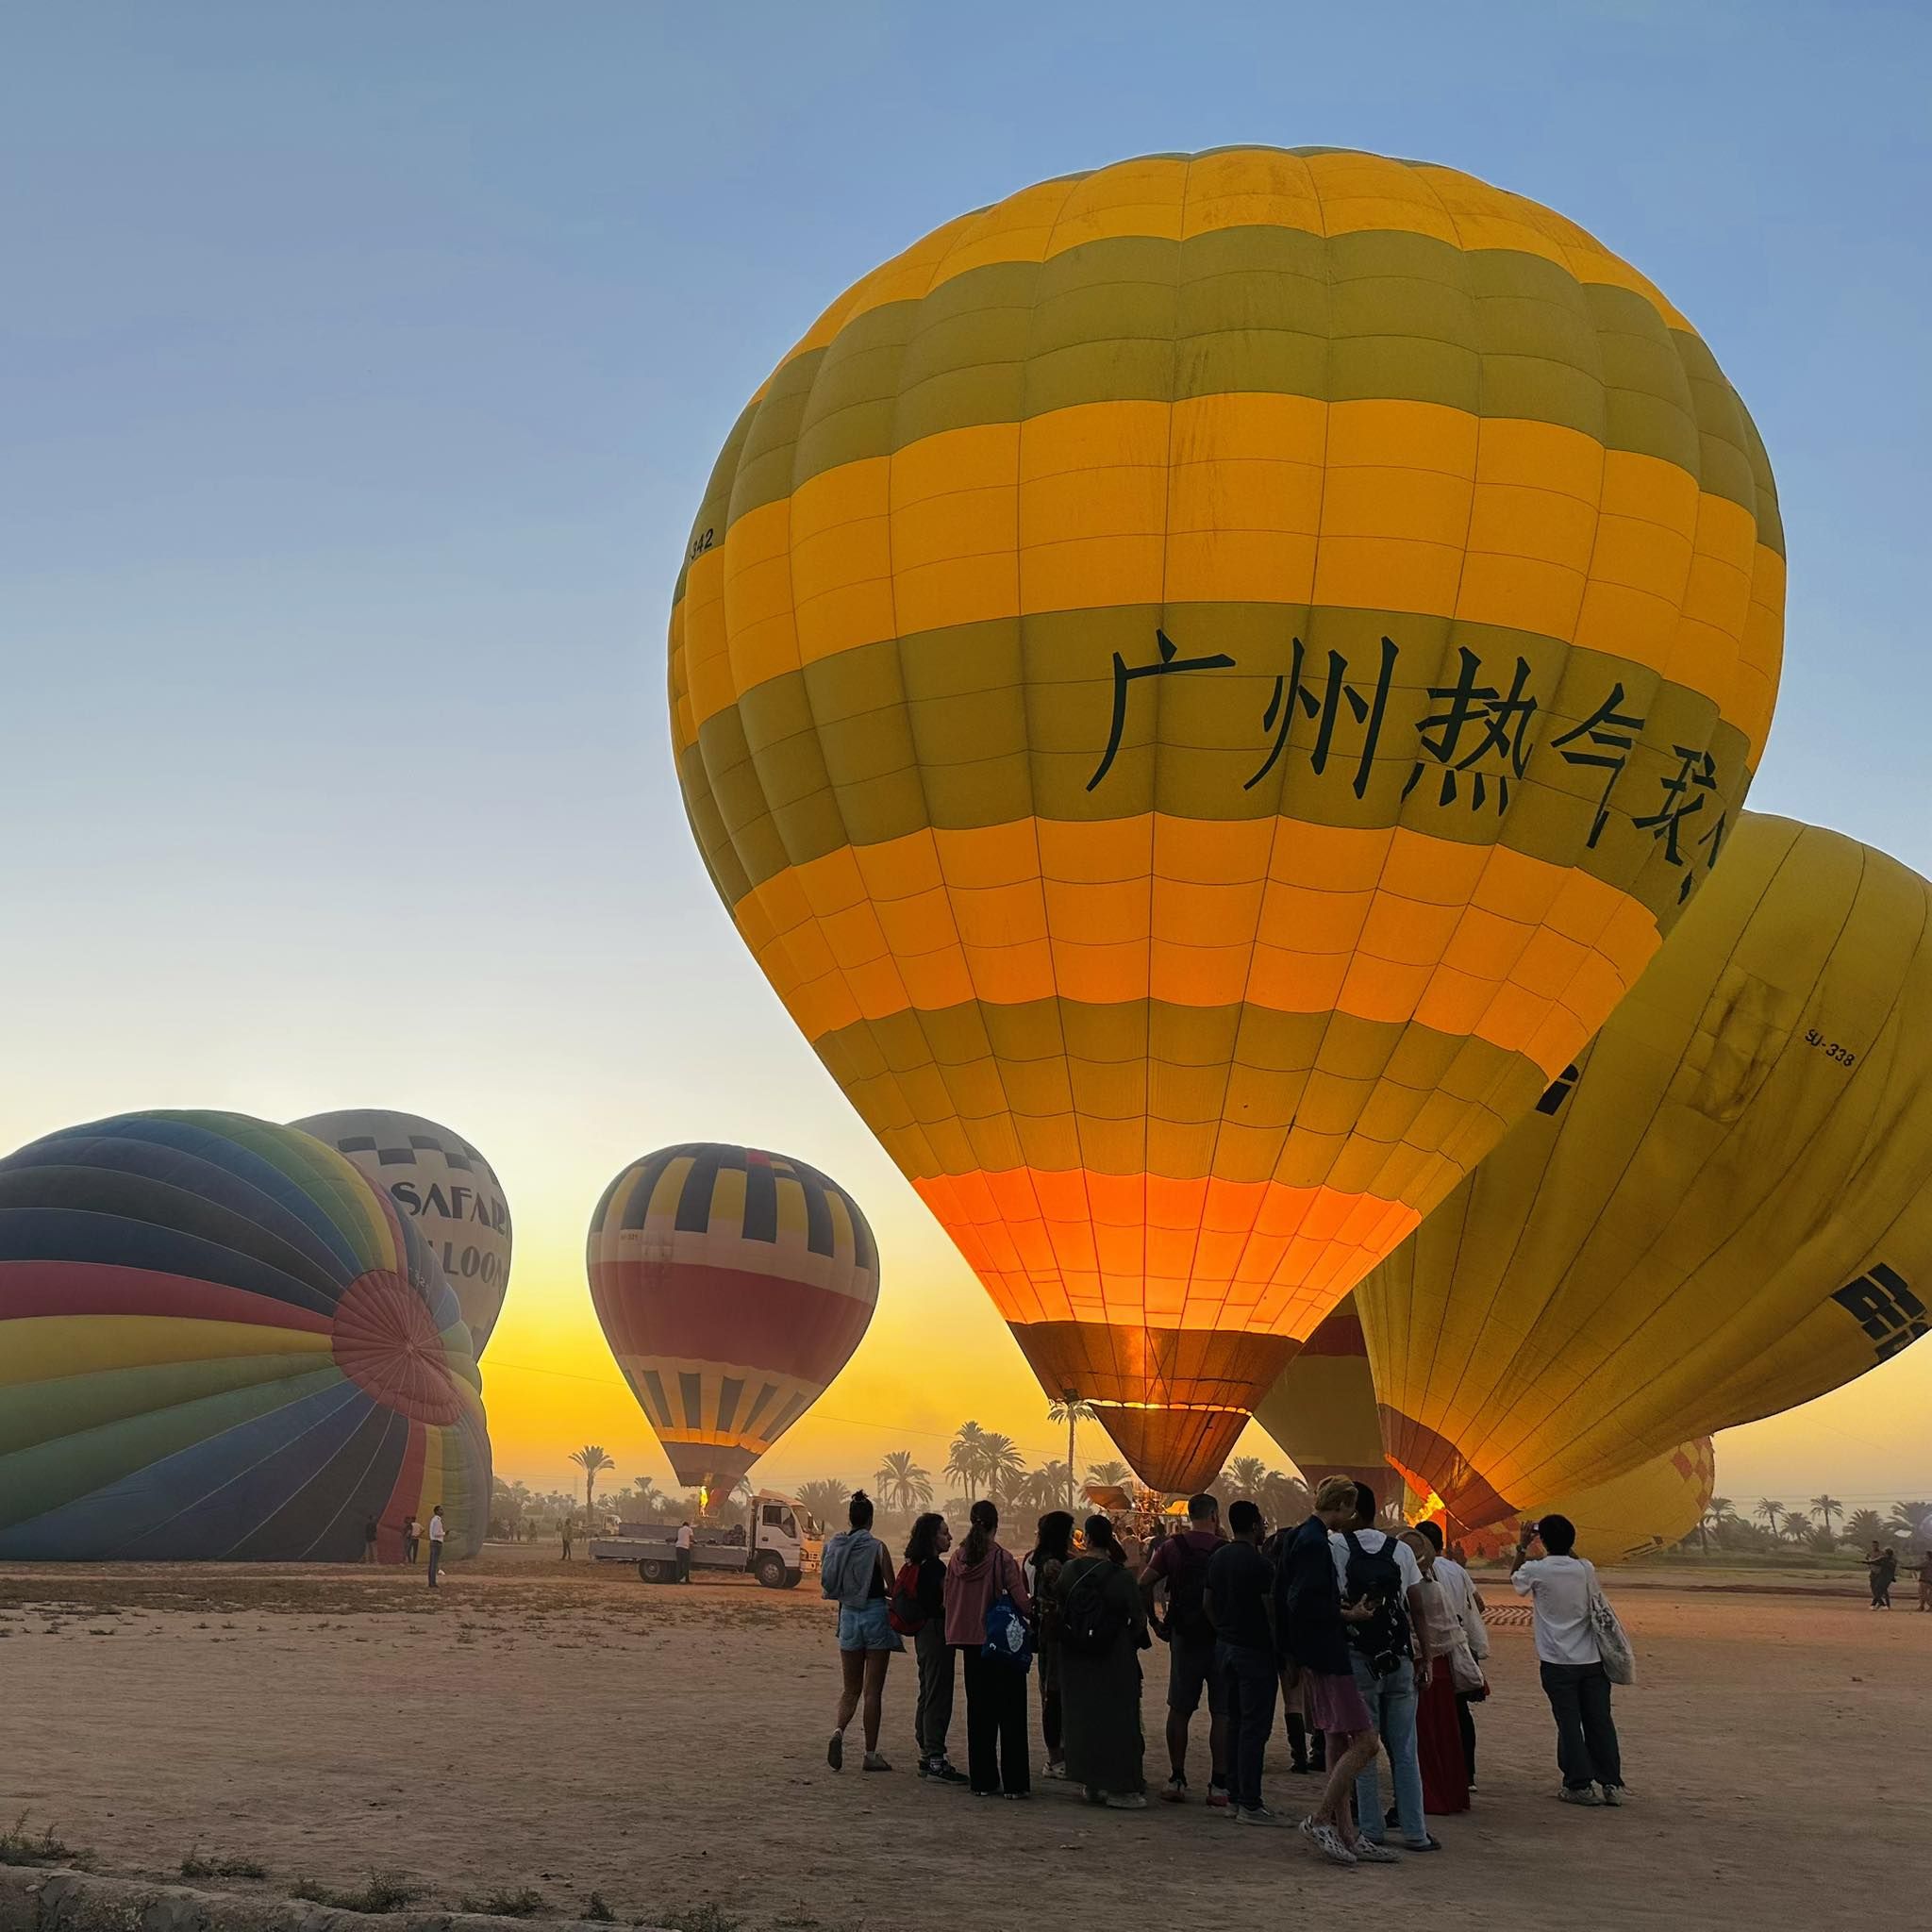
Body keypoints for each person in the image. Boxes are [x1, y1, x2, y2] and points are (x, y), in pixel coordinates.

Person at [1277, 1474, 1397, 1867]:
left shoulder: (1299, 1536)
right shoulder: (1315, 1544)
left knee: (1338, 1740)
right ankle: (1322, 1818)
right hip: (1328, 1654)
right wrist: (1348, 1614)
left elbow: (1289, 1597)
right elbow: (1303, 1603)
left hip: (1313, 1654)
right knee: (1366, 1741)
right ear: (1345, 1506)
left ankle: (1348, 1832)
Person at [1331, 1482, 1439, 1853]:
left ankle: (1372, 1829)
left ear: (1349, 1508)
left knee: (1365, 1745)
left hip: (1360, 1658)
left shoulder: (1337, 1548)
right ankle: (1415, 1830)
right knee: (1405, 1748)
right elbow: (1417, 1607)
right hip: (1400, 1658)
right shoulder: (1403, 1551)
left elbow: (1329, 1601)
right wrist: (1426, 1654)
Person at [1512, 1512, 1624, 1806]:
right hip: (1591, 1660)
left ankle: (1579, 1785)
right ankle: (1611, 1783)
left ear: (1543, 1540)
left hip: (1557, 1661)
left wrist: (1523, 1546)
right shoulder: (1585, 1568)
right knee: (1600, 1722)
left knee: (1569, 1724)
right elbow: (1575, 1558)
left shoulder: (1537, 1570)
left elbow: (1515, 1579)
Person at [1140, 1492, 1230, 1807]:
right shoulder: (1225, 1550)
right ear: (1215, 1515)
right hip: (1219, 1639)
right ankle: (1219, 1783)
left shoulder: (1171, 1548)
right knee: (1222, 1713)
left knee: (1179, 1709)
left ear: (1189, 1515)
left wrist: (1154, 1620)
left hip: (1184, 1637)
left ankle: (1176, 1777)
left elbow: (1144, 1583)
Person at [1058, 1514, 1149, 1807]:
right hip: (1114, 1654)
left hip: (1076, 1654)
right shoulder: (1120, 1576)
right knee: (1119, 1719)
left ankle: (1090, 1782)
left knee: (1083, 1716)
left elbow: (1061, 1607)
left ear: (1087, 1539)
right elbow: (1137, 1618)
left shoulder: (1069, 1570)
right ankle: (1121, 1787)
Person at [945, 1499, 1032, 1797]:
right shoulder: (1002, 1559)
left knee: (979, 1714)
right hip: (1000, 1645)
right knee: (1011, 1714)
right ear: (996, 1523)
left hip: (970, 1645)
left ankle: (982, 1781)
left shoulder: (957, 1559)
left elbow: (949, 1600)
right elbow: (1022, 1602)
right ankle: (1015, 1784)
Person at [1206, 1499, 1277, 1824]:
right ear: (1253, 1525)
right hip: (1255, 1651)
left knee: (1234, 1722)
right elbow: (1270, 1611)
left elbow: (1208, 1602)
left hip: (1226, 1648)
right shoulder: (1261, 1565)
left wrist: (1222, 1629)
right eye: (1261, 1523)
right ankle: (1250, 1801)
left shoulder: (1219, 1557)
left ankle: (1234, 1796)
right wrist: (1280, 1646)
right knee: (1254, 1728)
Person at [822, 1490, 900, 1773]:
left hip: (848, 1619)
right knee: (872, 1691)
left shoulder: (837, 1545)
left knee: (850, 1690)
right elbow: (893, 1587)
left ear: (850, 1518)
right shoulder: (877, 1547)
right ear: (870, 1519)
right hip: (876, 1617)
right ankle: (870, 1753)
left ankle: (838, 1732)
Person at [1402, 1529, 1470, 1817]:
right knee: (1446, 1733)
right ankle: (1453, 1795)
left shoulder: (1408, 1589)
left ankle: (1430, 1798)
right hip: (1441, 1666)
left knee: (1422, 1737)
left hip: (1419, 1666)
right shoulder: (1436, 1586)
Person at [1414, 1520, 1487, 1786]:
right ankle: (1466, 1773)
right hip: (1460, 1645)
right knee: (1459, 1714)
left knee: (1431, 1716)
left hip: (1431, 1651)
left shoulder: (1419, 1573)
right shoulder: (1457, 1570)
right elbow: (1479, 1604)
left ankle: (1433, 1774)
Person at [904, 1511, 965, 1782]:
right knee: (938, 1695)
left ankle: (927, 1752)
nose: (949, 1537)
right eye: (944, 1532)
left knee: (927, 1691)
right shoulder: (936, 1569)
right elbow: (946, 1602)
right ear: (932, 1537)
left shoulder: (918, 1564)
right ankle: (935, 1758)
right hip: (937, 1632)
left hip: (923, 1633)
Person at [1028, 1511, 1075, 1781]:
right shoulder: (1053, 1565)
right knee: (1053, 1694)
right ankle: (1055, 1757)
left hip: (1051, 1634)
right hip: (1055, 1636)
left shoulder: (1044, 1559)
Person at [1867, 1541, 1897, 1610]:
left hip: (1881, 1574)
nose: (1875, 1546)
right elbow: (1871, 1561)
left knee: (1881, 1590)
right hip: (1874, 1573)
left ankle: (1882, 1605)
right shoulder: (1870, 1553)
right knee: (1875, 1589)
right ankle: (1880, 1604)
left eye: (1876, 1545)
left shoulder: (1882, 1555)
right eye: (1873, 1545)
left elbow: (1878, 1563)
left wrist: (1868, 1562)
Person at [425, 1505, 445, 1588]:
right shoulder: (437, 1520)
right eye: (440, 1510)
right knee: (434, 1564)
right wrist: (444, 1533)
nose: (442, 1511)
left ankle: (431, 1582)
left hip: (434, 1542)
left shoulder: (435, 1520)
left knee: (433, 1563)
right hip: (436, 1543)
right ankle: (432, 1583)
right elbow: (436, 1533)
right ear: (436, 1511)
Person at [676, 1519, 694, 1586]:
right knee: (686, 1565)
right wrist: (692, 1541)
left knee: (679, 1564)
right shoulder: (689, 1529)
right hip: (685, 1548)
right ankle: (686, 1580)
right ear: (688, 1525)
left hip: (678, 1547)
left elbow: (678, 1538)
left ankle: (678, 1580)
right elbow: (692, 1538)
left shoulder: (680, 1529)